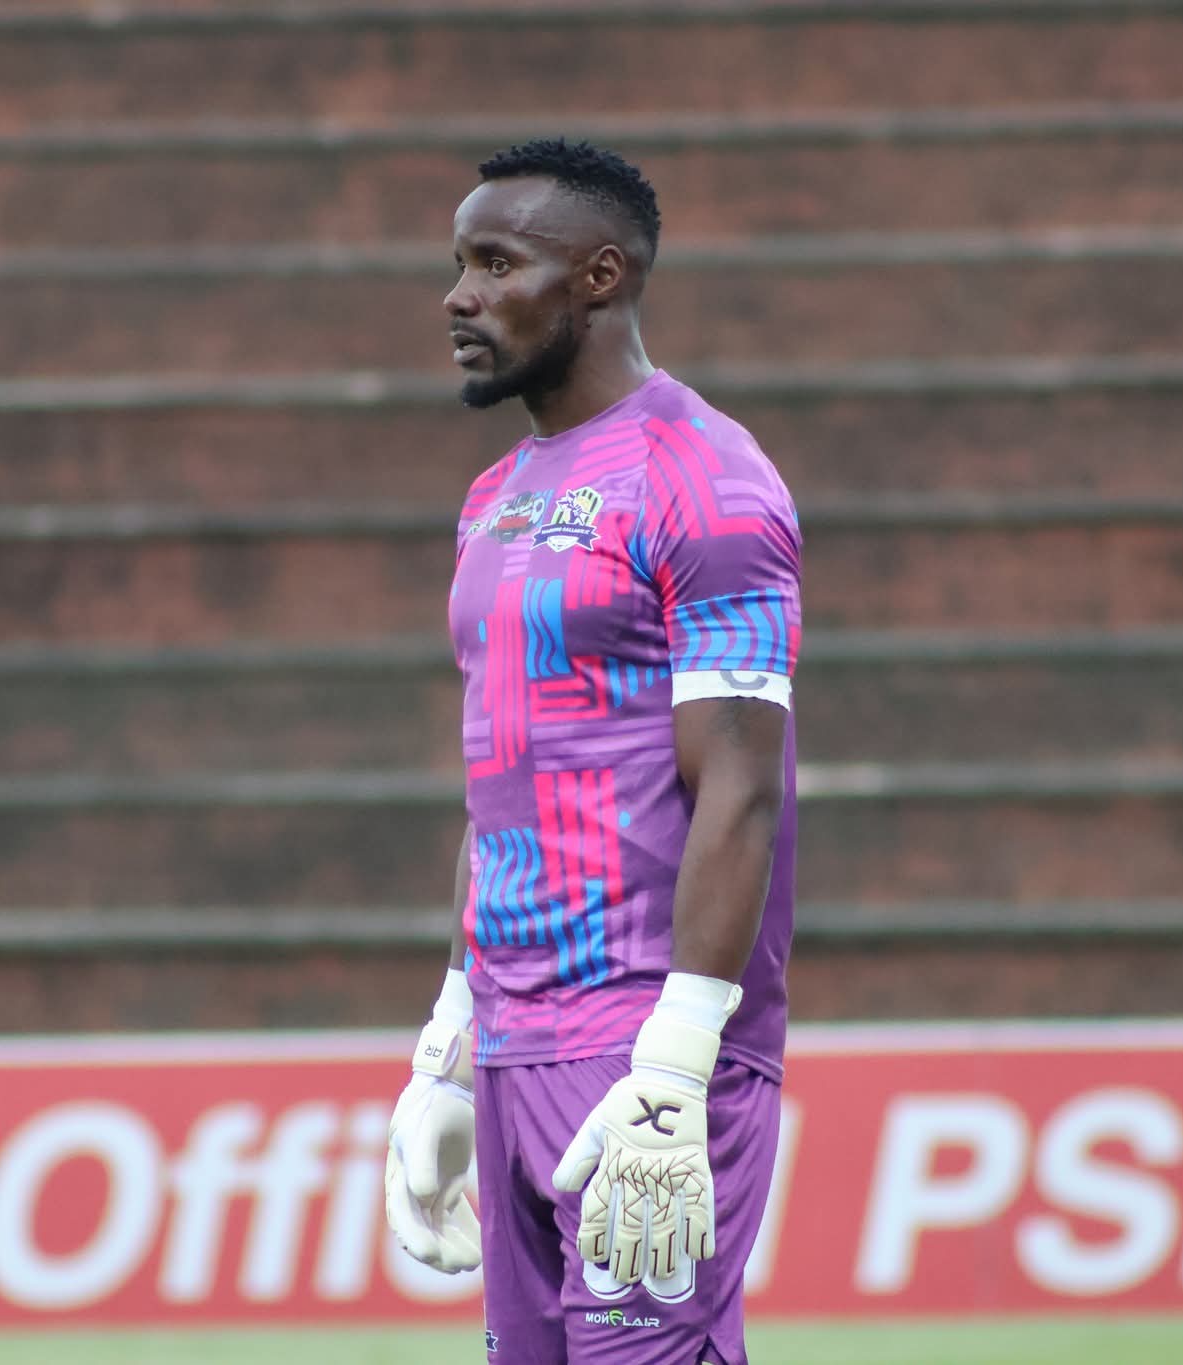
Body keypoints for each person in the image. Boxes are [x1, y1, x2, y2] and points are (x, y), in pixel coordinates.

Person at [383, 139, 801, 1365]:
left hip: (641, 1045)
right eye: (458, 263)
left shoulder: (707, 482)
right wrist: (450, 1048)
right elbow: (499, 782)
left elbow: (739, 786)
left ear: (600, 277)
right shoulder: (494, 498)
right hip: (513, 1040)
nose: (459, 296)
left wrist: (677, 1064)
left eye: (497, 263)